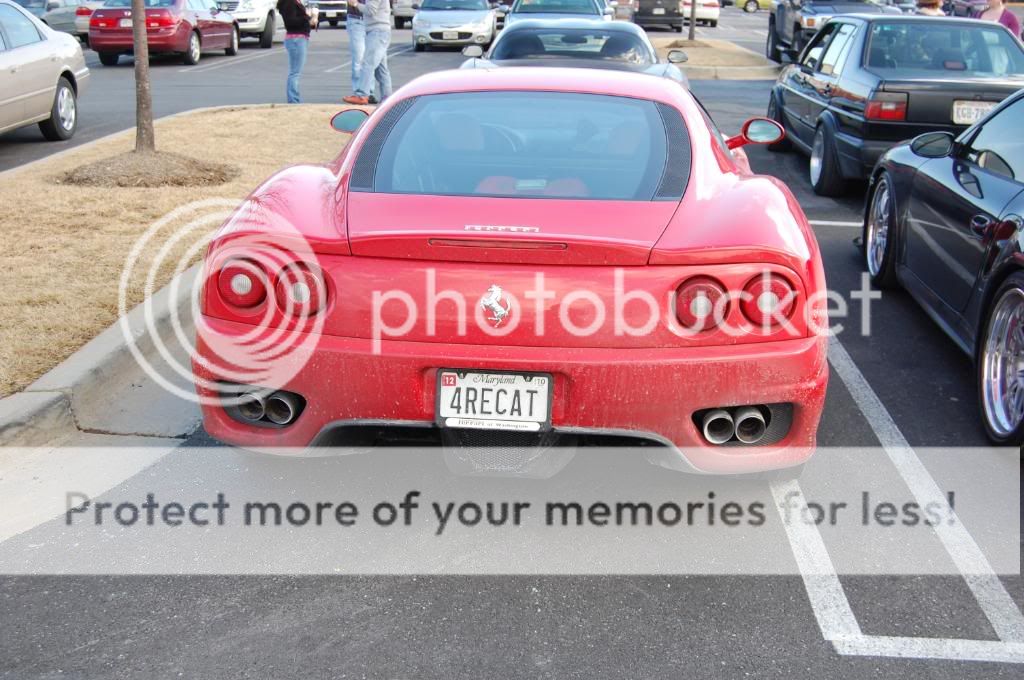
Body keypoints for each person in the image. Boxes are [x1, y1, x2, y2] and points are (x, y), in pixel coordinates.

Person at [342, 0, 392, 105]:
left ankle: (362, 95)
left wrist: (355, 4)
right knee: (381, 70)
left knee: (368, 63)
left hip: (377, 32)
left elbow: (370, 10)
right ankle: (387, 98)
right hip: (379, 31)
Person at [278, 0, 317, 104]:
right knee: (295, 72)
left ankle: (293, 99)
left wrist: (311, 19)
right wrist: (307, 17)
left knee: (295, 71)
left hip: (300, 38)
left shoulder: (296, 2)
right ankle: (293, 100)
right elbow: (290, 22)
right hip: (296, 39)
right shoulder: (289, 3)